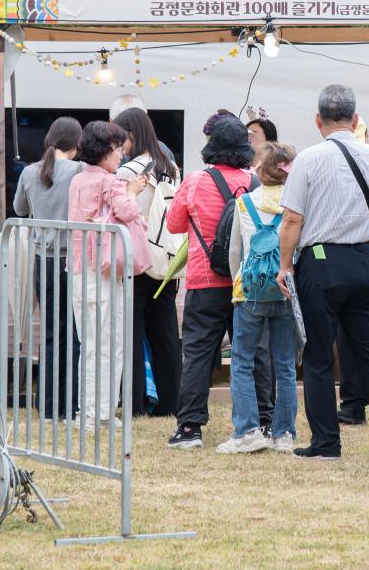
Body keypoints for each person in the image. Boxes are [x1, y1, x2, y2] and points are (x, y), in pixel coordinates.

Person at [276, 84, 369, 461]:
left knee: (318, 355)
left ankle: (326, 443)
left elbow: (291, 219)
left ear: (318, 120)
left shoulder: (308, 159)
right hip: (367, 262)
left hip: (320, 262)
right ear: (354, 119)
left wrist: (285, 267)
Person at [165, 117, 256, 449]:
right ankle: (257, 422)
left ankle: (190, 428)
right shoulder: (254, 182)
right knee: (250, 354)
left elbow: (174, 225)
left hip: (206, 280)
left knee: (199, 353)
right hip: (246, 282)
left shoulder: (195, 181)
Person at [218, 142, 299, 454]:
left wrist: (238, 284)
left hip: (250, 291)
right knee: (286, 364)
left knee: (241, 360)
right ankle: (283, 434)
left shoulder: (244, 203)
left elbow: (235, 252)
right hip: (285, 289)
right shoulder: (296, 205)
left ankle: (248, 430)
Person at [67, 122, 148, 427]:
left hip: (78, 268)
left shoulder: (78, 180)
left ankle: (86, 410)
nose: (120, 155)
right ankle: (99, 413)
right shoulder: (111, 182)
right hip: (104, 271)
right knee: (109, 343)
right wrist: (132, 190)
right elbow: (128, 212)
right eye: (116, 148)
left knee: (88, 342)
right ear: (105, 151)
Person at [13, 117, 84, 419]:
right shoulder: (79, 170)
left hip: (44, 260)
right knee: (76, 334)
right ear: (77, 144)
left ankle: (47, 404)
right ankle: (70, 404)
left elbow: (19, 209)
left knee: (52, 333)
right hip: (74, 260)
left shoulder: (30, 171)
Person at [114, 107, 183, 418]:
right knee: (166, 332)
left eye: (120, 137)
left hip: (138, 258)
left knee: (132, 330)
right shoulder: (170, 165)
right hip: (167, 258)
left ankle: (137, 403)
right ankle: (171, 402)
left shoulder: (128, 172)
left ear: (131, 134)